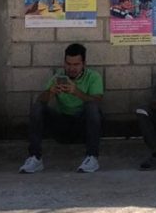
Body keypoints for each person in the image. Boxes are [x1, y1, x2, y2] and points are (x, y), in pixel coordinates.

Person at [19, 43, 104, 173]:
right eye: (68, 64)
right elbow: (40, 101)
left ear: (84, 64)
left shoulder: (93, 77)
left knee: (92, 108)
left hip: (83, 125)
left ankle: (92, 157)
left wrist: (76, 92)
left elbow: (97, 101)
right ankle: (35, 158)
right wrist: (51, 92)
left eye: (76, 65)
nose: (72, 68)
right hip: (62, 124)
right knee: (37, 107)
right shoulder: (58, 77)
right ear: (64, 63)